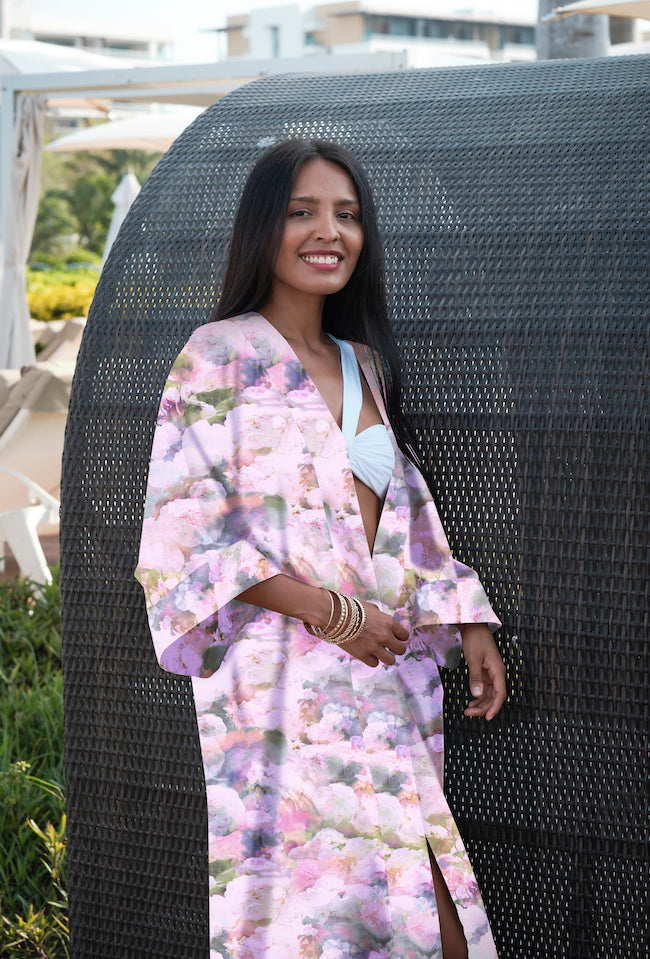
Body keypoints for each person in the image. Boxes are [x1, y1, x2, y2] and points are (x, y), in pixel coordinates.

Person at [135, 139, 506, 959]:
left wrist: (465, 616)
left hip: (383, 684)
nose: (327, 230)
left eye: (346, 213)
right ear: (265, 227)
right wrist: (334, 614)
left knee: (427, 914)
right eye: (302, 211)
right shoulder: (217, 355)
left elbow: (401, 516)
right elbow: (182, 535)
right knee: (311, 922)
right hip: (282, 694)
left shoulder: (362, 363)